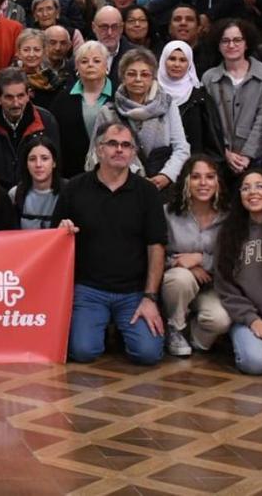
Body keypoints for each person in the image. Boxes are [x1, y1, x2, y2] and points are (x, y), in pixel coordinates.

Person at [55, 120, 168, 364]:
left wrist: (150, 298)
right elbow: (56, 239)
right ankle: (99, 330)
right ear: (99, 149)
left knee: (148, 354)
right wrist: (62, 231)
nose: (119, 149)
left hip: (134, 292)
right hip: (89, 290)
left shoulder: (147, 193)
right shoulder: (74, 188)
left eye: (126, 145)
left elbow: (156, 246)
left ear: (133, 153)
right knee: (83, 352)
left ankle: (115, 330)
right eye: (113, 144)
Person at [89, 49, 190, 191]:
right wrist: (137, 178)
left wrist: (166, 175)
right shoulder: (108, 112)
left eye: (144, 74)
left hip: (163, 187)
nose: (138, 79)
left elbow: (181, 147)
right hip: (121, 187)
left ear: (152, 78)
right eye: (131, 74)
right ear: (122, 77)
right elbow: (98, 151)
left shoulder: (167, 105)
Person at [160, 154, 230, 357]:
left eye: (210, 177)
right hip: (175, 283)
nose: (203, 183)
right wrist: (181, 263)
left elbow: (235, 261)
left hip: (213, 286)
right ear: (186, 181)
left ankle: (192, 337)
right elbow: (154, 256)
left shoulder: (229, 216)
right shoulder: (167, 213)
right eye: (196, 177)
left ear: (218, 182)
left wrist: (201, 260)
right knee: (181, 278)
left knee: (220, 320)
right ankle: (175, 328)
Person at [214, 169, 262, 374]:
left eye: (260, 186)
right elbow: (225, 285)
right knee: (255, 363)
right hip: (248, 318)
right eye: (245, 188)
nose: (252, 192)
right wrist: (252, 320)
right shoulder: (228, 234)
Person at [202, 19, 262, 175]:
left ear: (246, 43)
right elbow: (208, 122)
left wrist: (247, 155)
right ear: (218, 45)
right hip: (219, 159)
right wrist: (225, 153)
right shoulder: (209, 78)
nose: (231, 45)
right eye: (225, 41)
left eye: (237, 40)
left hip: (256, 159)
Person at [0, 68, 61, 191]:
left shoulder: (47, 122)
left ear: (28, 95)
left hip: (35, 193)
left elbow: (56, 165)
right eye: (9, 97)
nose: (16, 103)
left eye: (20, 96)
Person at [52, 42, 115, 178]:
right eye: (84, 61)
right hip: (73, 173)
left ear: (107, 66)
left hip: (114, 169)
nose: (90, 65)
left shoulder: (119, 95)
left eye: (97, 61)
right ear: (77, 67)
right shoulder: (63, 98)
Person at [158, 41, 224, 162]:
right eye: (172, 59)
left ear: (189, 64)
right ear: (163, 61)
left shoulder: (200, 97)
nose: (177, 64)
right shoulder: (152, 93)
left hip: (192, 166)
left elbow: (212, 139)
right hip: (159, 165)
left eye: (183, 60)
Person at [11, 136, 63, 230]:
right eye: (32, 159)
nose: (38, 164)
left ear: (54, 162)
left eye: (44, 158)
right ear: (26, 164)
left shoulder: (69, 191)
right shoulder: (15, 194)